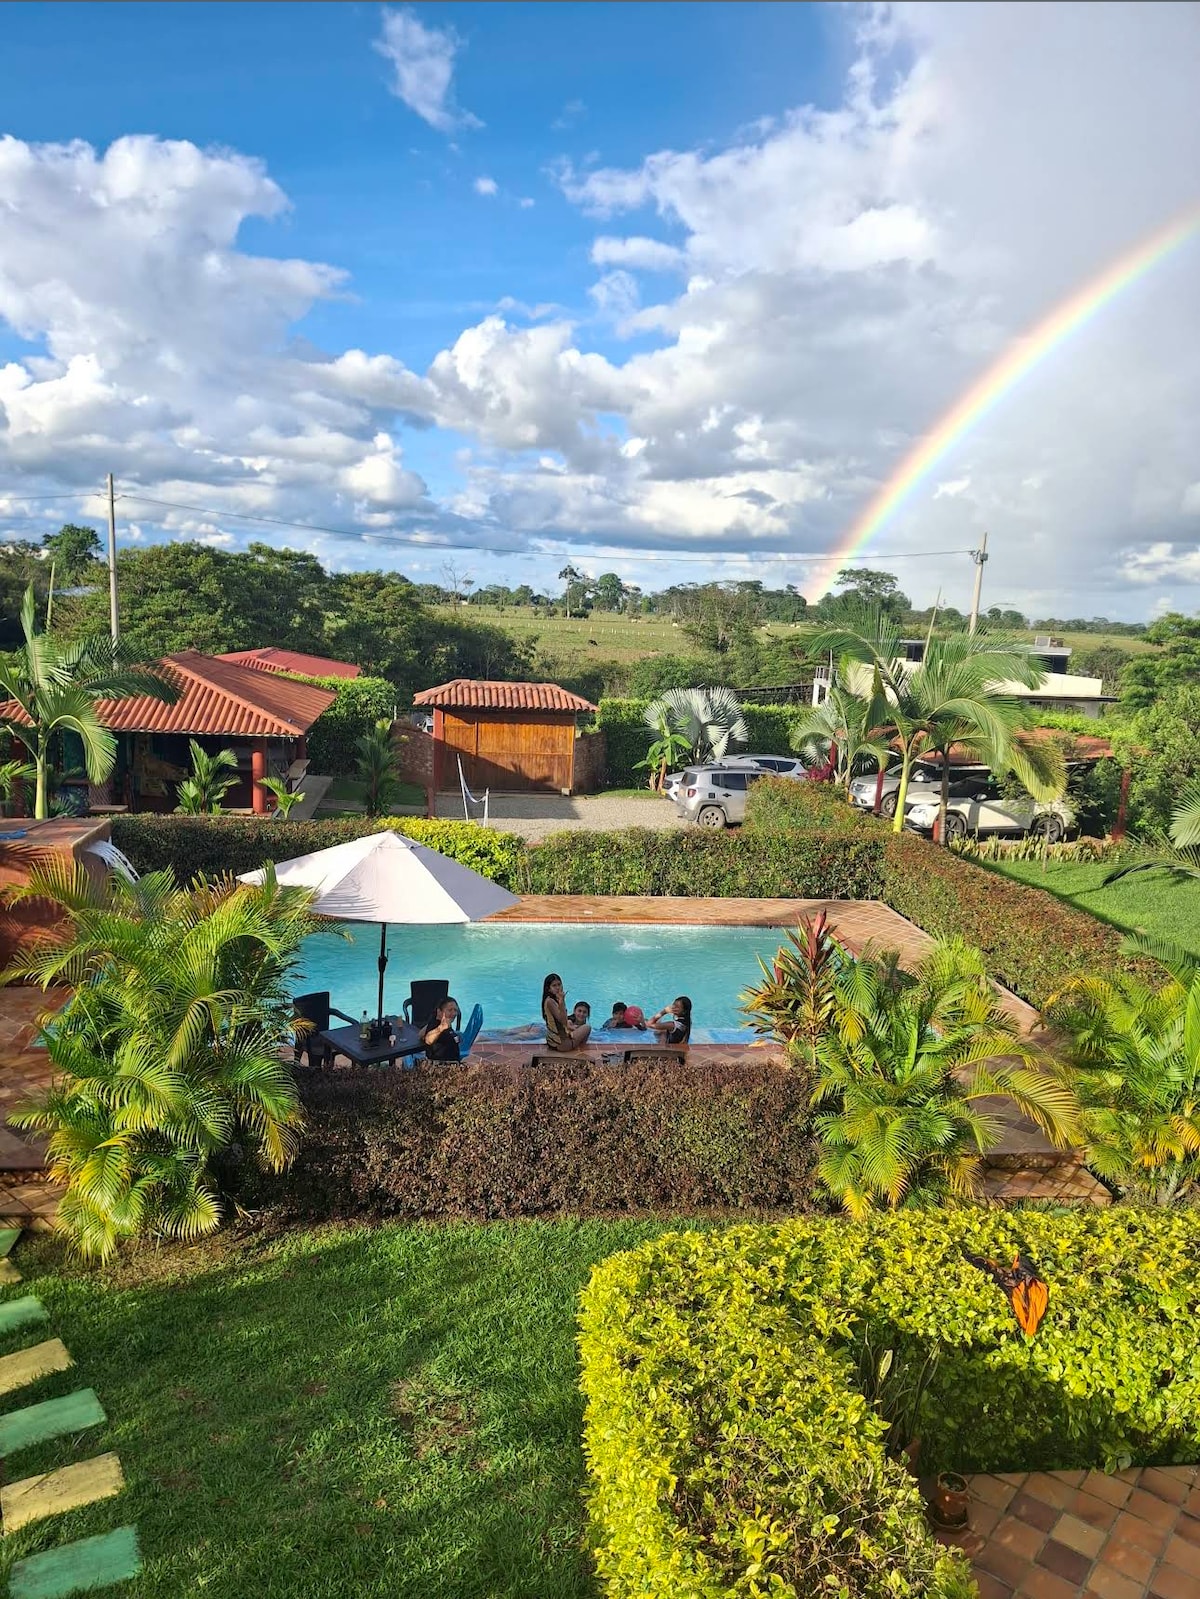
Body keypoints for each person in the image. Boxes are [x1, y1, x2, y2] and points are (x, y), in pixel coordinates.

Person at [542, 973, 590, 1051]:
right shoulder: (550, 1002)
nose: (558, 987)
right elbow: (563, 1021)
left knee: (575, 1029)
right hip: (561, 1044)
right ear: (548, 989)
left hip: (553, 1041)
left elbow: (561, 1021)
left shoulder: (552, 999)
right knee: (587, 1027)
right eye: (554, 985)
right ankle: (581, 1049)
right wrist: (562, 1001)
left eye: (559, 984)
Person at [421, 997, 462, 1063]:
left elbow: (421, 1034)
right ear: (439, 1011)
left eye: (455, 1010)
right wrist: (441, 1028)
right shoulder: (439, 1026)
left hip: (452, 1063)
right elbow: (428, 1040)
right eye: (450, 1010)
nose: (454, 1013)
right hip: (443, 1066)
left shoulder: (443, 1023)